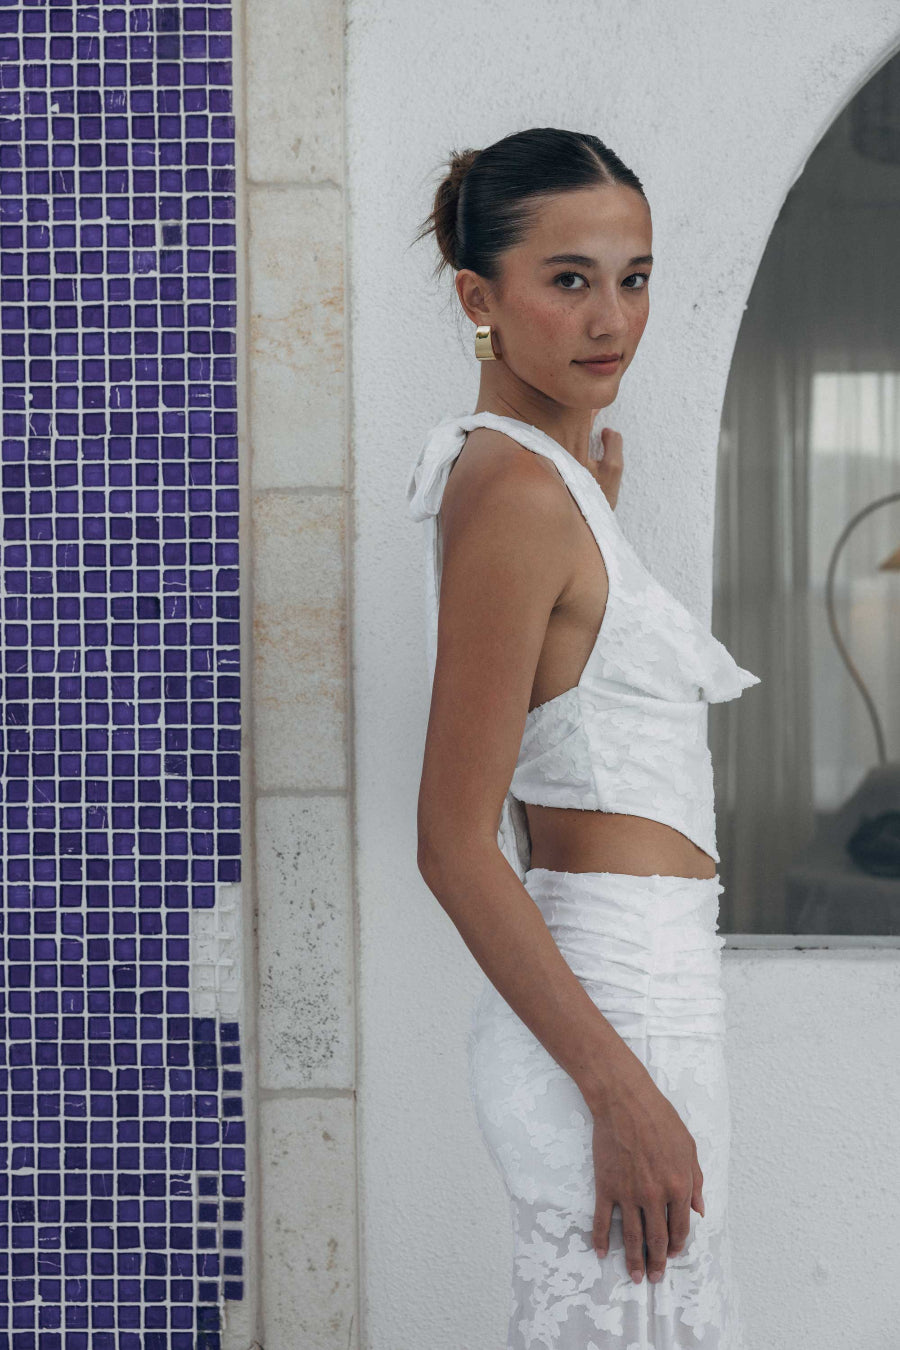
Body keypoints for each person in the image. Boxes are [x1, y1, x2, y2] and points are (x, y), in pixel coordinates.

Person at [406, 127, 761, 1350]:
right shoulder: (514, 495)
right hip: (613, 1013)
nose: (613, 317)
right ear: (478, 297)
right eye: (569, 279)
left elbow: (564, 715)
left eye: (636, 276)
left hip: (646, 996)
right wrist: (617, 1091)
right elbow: (454, 843)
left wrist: (591, 520)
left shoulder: (539, 484)